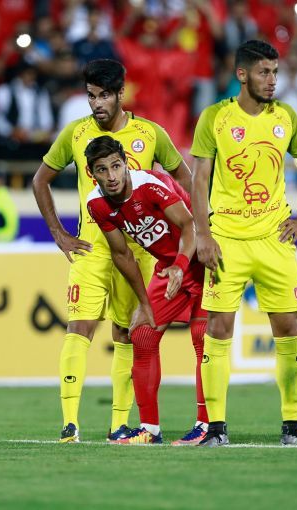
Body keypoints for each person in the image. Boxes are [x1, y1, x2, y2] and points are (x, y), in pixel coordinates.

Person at [32, 58, 192, 443]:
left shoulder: (150, 134)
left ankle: (119, 423)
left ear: (121, 94)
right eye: (91, 96)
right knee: (80, 327)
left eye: (104, 95)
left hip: (139, 251)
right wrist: (58, 233)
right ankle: (69, 423)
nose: (97, 104)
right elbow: (41, 180)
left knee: (127, 332)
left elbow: (183, 176)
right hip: (91, 248)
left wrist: (188, 224)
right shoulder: (75, 133)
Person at [189, 40, 297, 447]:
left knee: (289, 328)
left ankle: (292, 425)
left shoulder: (286, 116)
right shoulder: (215, 117)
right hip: (227, 241)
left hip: (273, 241)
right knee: (218, 329)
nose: (272, 80)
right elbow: (198, 179)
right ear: (242, 74)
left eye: (275, 72)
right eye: (264, 72)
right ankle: (216, 428)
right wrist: (203, 234)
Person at [85, 136, 208, 445]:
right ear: (92, 173)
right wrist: (143, 302)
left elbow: (190, 225)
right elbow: (122, 255)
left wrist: (180, 265)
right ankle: (150, 430)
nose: (111, 176)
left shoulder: (149, 185)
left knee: (202, 338)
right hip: (169, 266)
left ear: (127, 164)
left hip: (203, 259)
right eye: (102, 170)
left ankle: (207, 425)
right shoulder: (96, 204)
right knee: (142, 336)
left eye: (116, 166)